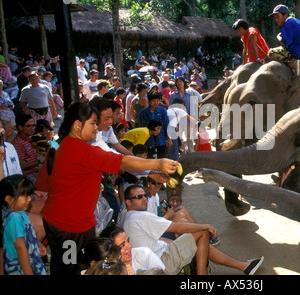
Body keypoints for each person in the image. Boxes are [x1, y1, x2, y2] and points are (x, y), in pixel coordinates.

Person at [35, 102, 179, 275]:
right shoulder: (82, 150)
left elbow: (44, 184)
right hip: (69, 229)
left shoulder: (63, 145)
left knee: (67, 264)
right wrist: (158, 163)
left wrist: (151, 172)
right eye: (93, 123)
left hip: (61, 223)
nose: (97, 127)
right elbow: (123, 161)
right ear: (77, 125)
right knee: (70, 267)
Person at [122, 184, 264, 275]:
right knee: (200, 232)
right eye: (139, 197)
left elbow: (151, 240)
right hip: (161, 261)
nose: (144, 199)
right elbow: (175, 227)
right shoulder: (139, 217)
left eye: (144, 195)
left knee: (190, 228)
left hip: (157, 254)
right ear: (128, 202)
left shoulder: (128, 216)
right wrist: (206, 226)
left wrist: (175, 240)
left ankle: (244, 266)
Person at [0, 175, 47, 275]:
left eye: (29, 195)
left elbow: (28, 235)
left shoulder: (21, 213)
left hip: (31, 262)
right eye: (25, 196)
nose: (29, 199)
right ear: (9, 199)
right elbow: (20, 249)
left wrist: (37, 243)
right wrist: (28, 273)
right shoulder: (14, 219)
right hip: (21, 269)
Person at [101, 225, 167, 275]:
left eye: (128, 241)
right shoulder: (108, 268)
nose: (129, 246)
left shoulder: (144, 254)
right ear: (110, 252)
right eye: (122, 245)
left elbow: (165, 273)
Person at [268, 4, 300, 72]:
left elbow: (285, 42)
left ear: (285, 15)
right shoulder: (297, 21)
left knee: (271, 52)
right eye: (275, 17)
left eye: (277, 16)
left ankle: (291, 62)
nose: (276, 19)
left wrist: (278, 37)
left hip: (298, 54)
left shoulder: (287, 24)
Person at [139, 91, 172, 159]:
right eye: (153, 101)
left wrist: (169, 139)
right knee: (149, 158)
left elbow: (167, 125)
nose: (156, 103)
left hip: (161, 138)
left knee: (162, 158)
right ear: (149, 101)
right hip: (148, 140)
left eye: (158, 101)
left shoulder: (163, 111)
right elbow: (140, 127)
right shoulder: (143, 112)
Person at [13, 114, 40, 184]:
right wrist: (39, 161)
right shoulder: (18, 143)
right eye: (28, 126)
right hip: (27, 175)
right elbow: (22, 166)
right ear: (20, 127)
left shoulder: (28, 139)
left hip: (35, 170)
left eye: (34, 125)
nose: (32, 128)